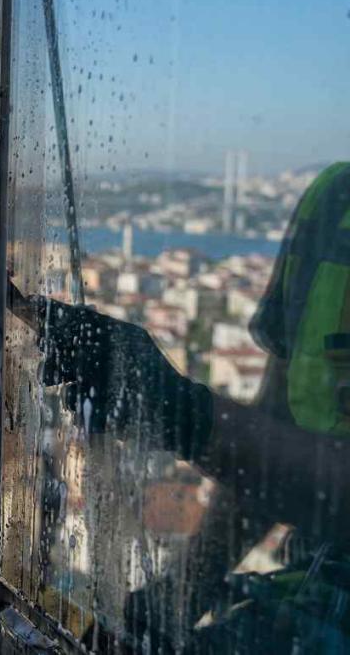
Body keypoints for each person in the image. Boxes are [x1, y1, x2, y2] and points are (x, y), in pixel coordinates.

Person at [24, 161, 350, 651]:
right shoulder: (334, 197)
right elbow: (274, 432)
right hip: (310, 596)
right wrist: (181, 594)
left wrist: (184, 415)